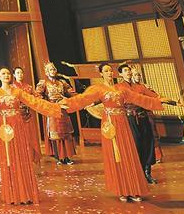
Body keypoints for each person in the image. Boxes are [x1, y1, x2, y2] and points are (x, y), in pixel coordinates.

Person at [60, 62, 169, 203]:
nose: (110, 73)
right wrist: (66, 103)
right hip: (110, 124)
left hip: (124, 123)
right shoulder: (98, 89)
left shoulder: (121, 88)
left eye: (111, 70)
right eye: (106, 71)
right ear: (101, 74)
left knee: (129, 155)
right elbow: (82, 99)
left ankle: (134, 189)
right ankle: (122, 190)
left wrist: (160, 101)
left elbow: (140, 99)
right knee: (117, 156)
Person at [0, 67, 62, 205]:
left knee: (22, 156)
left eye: (8, 73)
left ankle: (26, 193)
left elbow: (35, 102)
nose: (6, 75)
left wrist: (55, 107)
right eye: (3, 74)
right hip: (5, 126)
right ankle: (13, 194)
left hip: (18, 125)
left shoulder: (17, 92)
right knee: (9, 158)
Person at [118, 63, 158, 184]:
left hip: (143, 117)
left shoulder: (140, 87)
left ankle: (147, 173)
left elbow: (155, 97)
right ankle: (137, 174)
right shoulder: (118, 87)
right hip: (130, 119)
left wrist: (172, 102)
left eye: (129, 70)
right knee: (136, 145)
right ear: (120, 74)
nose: (128, 72)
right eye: (125, 71)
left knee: (148, 143)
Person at [37, 62, 76, 165]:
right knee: (56, 134)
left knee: (66, 133)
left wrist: (79, 98)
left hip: (63, 109)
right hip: (52, 110)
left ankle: (67, 157)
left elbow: (71, 93)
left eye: (54, 69)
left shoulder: (62, 83)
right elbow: (38, 95)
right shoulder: (43, 83)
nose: (53, 71)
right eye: (50, 69)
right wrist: (47, 104)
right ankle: (59, 157)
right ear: (46, 72)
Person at [131, 67, 163, 164]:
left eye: (138, 74)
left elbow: (156, 97)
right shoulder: (129, 88)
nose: (138, 76)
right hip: (135, 115)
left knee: (153, 134)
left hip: (147, 113)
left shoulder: (144, 87)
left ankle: (157, 155)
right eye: (135, 75)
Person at [11, 66, 40, 163]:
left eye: (21, 73)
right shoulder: (11, 88)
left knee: (29, 137)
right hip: (16, 116)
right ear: (14, 75)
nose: (20, 74)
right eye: (18, 73)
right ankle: (19, 158)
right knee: (18, 138)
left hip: (28, 116)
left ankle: (30, 157)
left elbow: (37, 98)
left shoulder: (29, 87)